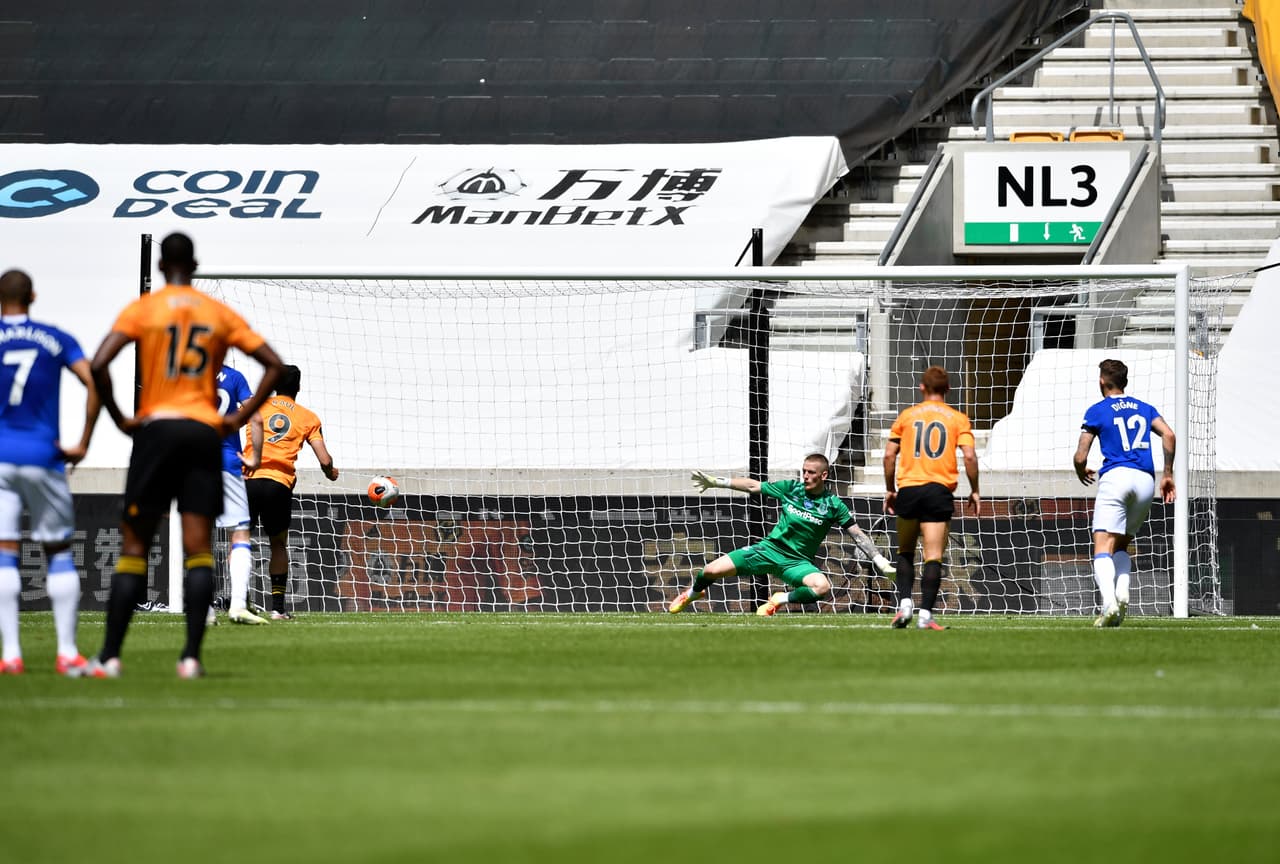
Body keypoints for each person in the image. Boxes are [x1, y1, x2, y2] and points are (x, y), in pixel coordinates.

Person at [86, 232, 283, 679]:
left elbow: (99, 364)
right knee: (199, 549)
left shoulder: (144, 309)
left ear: (159, 266)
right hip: (202, 435)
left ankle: (110, 657)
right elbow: (274, 365)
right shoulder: (216, 312)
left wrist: (121, 416)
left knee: (135, 546)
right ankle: (191, 658)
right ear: (194, 265)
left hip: (157, 430)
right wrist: (236, 419)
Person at [0, 270, 100, 676]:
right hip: (44, 454)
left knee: (5, 553)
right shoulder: (56, 337)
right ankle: (66, 652)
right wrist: (83, 441)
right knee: (57, 551)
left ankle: (10, 656)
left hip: (1, 457)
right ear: (33, 296)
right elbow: (93, 381)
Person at [667, 453, 896, 617]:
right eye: (803, 471)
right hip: (767, 551)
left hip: (796, 563)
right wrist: (718, 482)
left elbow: (857, 534)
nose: (805, 476)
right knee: (709, 571)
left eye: (811, 472)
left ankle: (779, 599)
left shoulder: (834, 504)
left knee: (821, 587)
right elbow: (752, 486)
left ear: (824, 475)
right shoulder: (791, 488)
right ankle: (694, 593)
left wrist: (879, 560)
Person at [1073, 358, 1175, 628]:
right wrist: (1167, 473)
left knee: (1102, 546)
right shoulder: (1144, 408)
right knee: (1121, 545)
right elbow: (1169, 435)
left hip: (1116, 477)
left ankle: (1109, 604)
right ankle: (1121, 592)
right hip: (1145, 480)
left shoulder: (1097, 410)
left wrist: (1079, 469)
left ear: (1102, 381)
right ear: (1125, 382)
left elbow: (1081, 454)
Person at [883, 366, 980, 631]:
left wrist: (890, 489)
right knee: (933, 556)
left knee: (904, 551)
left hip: (909, 489)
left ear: (922, 388)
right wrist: (975, 489)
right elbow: (970, 456)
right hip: (938, 491)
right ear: (948, 389)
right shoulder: (957, 418)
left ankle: (904, 605)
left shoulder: (907, 415)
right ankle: (925, 615)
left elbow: (889, 455)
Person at [243, 364, 338, 620]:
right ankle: (277, 609)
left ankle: (238, 602)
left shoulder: (255, 405)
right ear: (298, 387)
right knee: (278, 546)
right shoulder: (308, 417)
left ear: (274, 385)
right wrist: (331, 472)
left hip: (249, 480)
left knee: (240, 542)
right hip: (278, 485)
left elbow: (228, 425)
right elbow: (325, 460)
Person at [214, 364, 267, 625]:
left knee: (198, 535)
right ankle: (237, 605)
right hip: (226, 461)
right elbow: (256, 417)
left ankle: (204, 611)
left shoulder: (185, 376)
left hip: (191, 461)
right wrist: (254, 457)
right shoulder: (233, 377)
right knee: (241, 531)